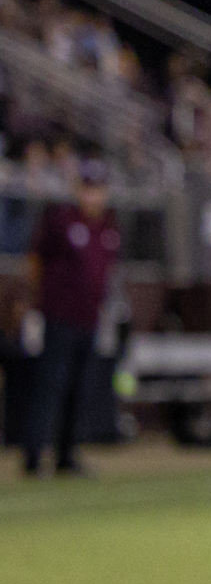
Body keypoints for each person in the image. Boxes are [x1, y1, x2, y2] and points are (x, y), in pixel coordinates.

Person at [22, 157, 120, 476]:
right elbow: (35, 260)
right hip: (58, 316)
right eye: (88, 188)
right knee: (48, 386)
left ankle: (67, 455)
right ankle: (34, 456)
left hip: (89, 319)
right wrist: (35, 302)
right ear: (78, 189)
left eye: (98, 189)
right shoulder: (61, 219)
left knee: (80, 389)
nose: (93, 195)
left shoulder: (108, 226)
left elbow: (105, 274)